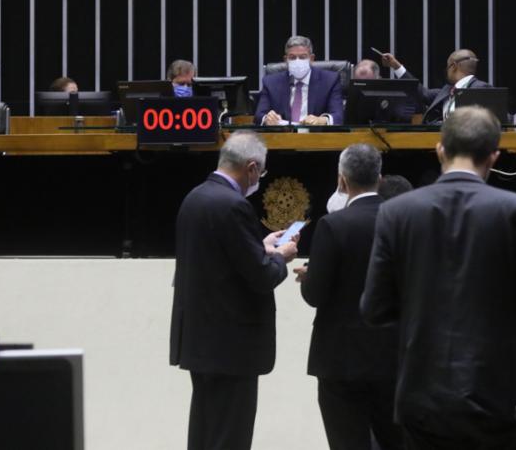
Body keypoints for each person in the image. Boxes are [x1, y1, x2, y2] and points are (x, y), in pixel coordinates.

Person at [361, 107, 516, 450]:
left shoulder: (396, 212)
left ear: (440, 149)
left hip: (423, 396)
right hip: (502, 398)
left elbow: (375, 308)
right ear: (494, 156)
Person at [169, 131, 299, 450]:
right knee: (230, 437)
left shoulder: (195, 197)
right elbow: (260, 276)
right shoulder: (233, 205)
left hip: (201, 340)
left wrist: (260, 246)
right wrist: (280, 257)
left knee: (205, 432)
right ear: (251, 168)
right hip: (231, 345)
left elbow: (222, 259)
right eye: (261, 173)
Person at [296, 145, 402, 450]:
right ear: (379, 178)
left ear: (342, 181)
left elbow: (316, 295)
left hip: (340, 359)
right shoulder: (403, 220)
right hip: (392, 354)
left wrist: (309, 278)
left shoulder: (333, 225)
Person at [378, 49, 489, 124]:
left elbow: (502, 119)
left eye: (448, 67)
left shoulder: (481, 88)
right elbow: (421, 93)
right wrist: (396, 66)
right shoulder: (447, 91)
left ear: (454, 67)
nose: (446, 71)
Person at [254, 36, 345, 126]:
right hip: (282, 136)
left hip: (316, 136)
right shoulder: (271, 82)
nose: (298, 61)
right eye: (292, 57)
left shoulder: (329, 80)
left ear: (311, 59)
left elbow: (338, 116)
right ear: (286, 60)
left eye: (303, 57)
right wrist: (267, 119)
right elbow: (259, 116)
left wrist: (322, 120)